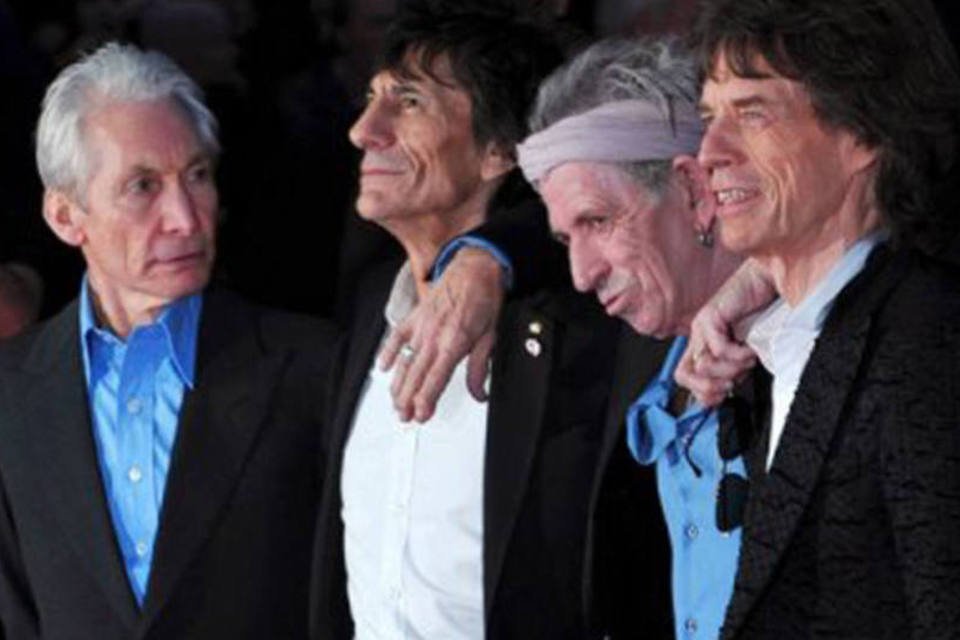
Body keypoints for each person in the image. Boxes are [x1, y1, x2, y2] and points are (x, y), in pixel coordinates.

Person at [308, 3, 673, 638]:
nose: (364, 130)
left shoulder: (582, 327)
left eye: (410, 102)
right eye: (372, 98)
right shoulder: (367, 308)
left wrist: (494, 255)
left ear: (501, 151)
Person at [0, 42, 336, 639]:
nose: (186, 216)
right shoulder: (10, 396)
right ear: (66, 216)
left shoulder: (312, 367)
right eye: (143, 186)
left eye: (198, 176)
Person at [672, 0, 960, 637]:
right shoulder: (784, 345)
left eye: (752, 113)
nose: (710, 151)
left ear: (863, 133)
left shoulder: (927, 342)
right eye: (710, 118)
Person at [510, 36, 749, 640]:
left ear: (694, 191)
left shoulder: (815, 346)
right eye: (566, 239)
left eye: (597, 221)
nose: (581, 274)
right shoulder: (641, 360)